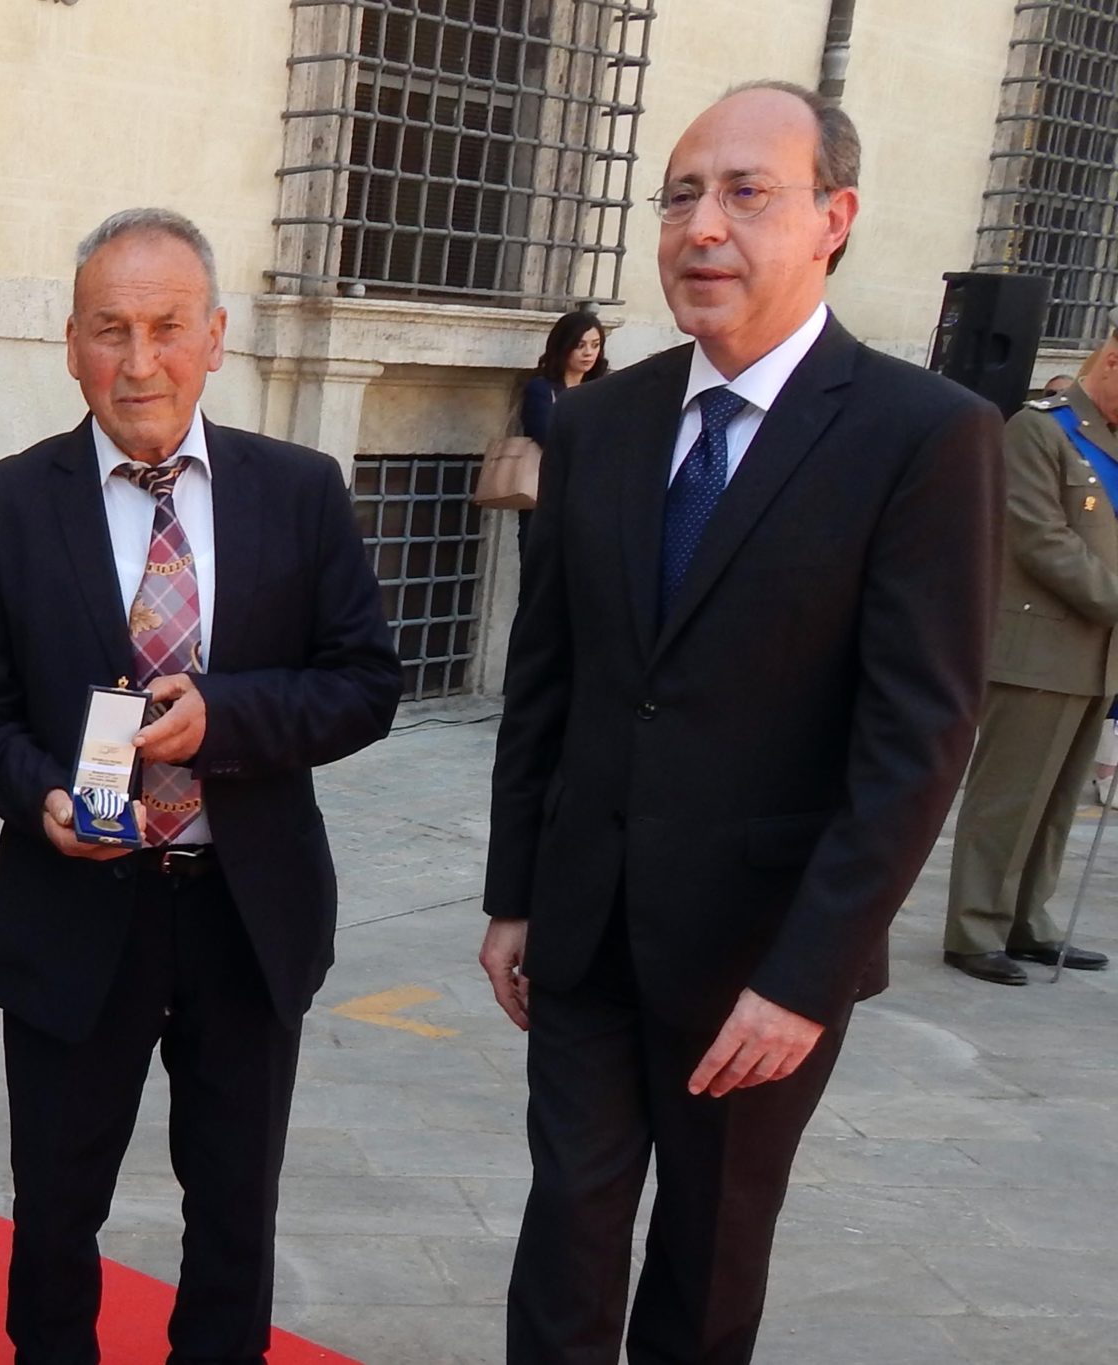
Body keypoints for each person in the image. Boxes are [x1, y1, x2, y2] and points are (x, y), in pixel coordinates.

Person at [479, 81, 1001, 1364]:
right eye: (678, 196)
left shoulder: (924, 437)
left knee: (706, 1261)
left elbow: (914, 740)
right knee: (565, 1234)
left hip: (758, 961)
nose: (700, 226)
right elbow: (545, 676)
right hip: (585, 933)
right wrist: (513, 894)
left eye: (743, 193)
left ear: (833, 217)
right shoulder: (599, 421)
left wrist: (804, 979)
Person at [0, 208, 401, 1365]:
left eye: (165, 327)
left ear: (214, 336)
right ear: (70, 343)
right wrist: (44, 799)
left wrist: (226, 716)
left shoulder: (297, 491)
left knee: (234, 1214)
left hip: (245, 914)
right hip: (72, 910)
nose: (137, 361)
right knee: (55, 1215)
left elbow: (362, 685)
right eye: (110, 329)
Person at [942, 310, 1118, 985]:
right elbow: (1042, 540)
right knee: (1010, 797)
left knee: (1059, 800)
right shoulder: (1041, 431)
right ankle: (976, 928)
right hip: (1039, 649)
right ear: (1111, 363)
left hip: (1097, 654)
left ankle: (1028, 920)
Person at [516, 310, 611, 555]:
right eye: (580, 345)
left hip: (591, 503)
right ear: (563, 346)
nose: (589, 353)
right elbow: (550, 438)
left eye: (595, 345)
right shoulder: (541, 389)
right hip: (547, 501)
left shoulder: (602, 390)